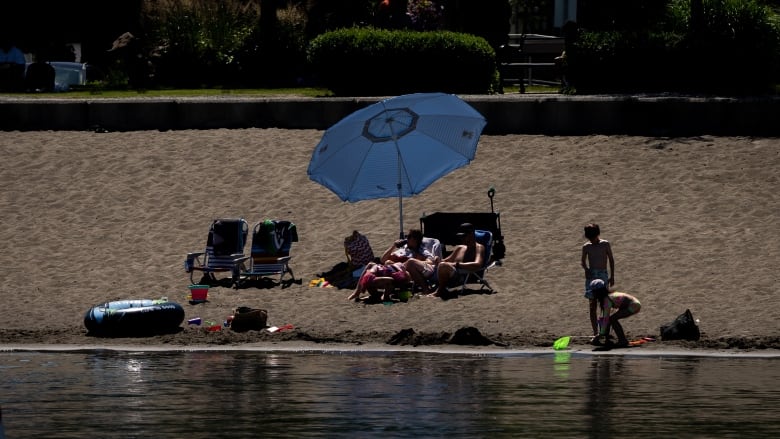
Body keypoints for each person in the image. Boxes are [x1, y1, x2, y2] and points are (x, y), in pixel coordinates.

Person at [428, 223, 485, 298]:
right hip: (454, 273)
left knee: (443, 266)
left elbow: (478, 264)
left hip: (464, 276)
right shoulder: (460, 248)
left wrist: (457, 264)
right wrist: (438, 260)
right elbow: (446, 261)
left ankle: (440, 290)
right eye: (461, 237)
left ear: (471, 234)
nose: (462, 239)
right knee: (433, 265)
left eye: (464, 236)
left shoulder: (479, 248)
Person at [581, 223, 615, 343]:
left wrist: (612, 276)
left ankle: (604, 333)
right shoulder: (586, 246)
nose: (592, 240)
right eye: (590, 238)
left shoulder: (605, 244)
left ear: (598, 234)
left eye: (593, 237)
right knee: (592, 305)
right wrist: (586, 270)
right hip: (591, 278)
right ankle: (595, 333)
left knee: (605, 305)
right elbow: (583, 262)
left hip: (603, 276)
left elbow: (611, 260)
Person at [379, 228, 439, 294]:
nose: (406, 238)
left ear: (415, 240)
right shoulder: (404, 249)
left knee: (410, 262)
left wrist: (416, 261)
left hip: (409, 274)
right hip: (399, 271)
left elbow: (431, 262)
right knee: (387, 262)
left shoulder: (422, 250)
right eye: (407, 236)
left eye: (409, 237)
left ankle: (426, 289)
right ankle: (390, 291)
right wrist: (394, 246)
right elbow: (383, 259)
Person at [590, 279, 641, 347]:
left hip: (634, 305)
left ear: (598, 292)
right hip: (632, 304)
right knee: (611, 319)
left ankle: (623, 340)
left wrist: (600, 335)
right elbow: (605, 319)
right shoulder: (608, 296)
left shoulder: (607, 300)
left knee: (612, 319)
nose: (593, 294)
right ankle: (608, 339)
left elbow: (606, 319)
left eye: (593, 292)